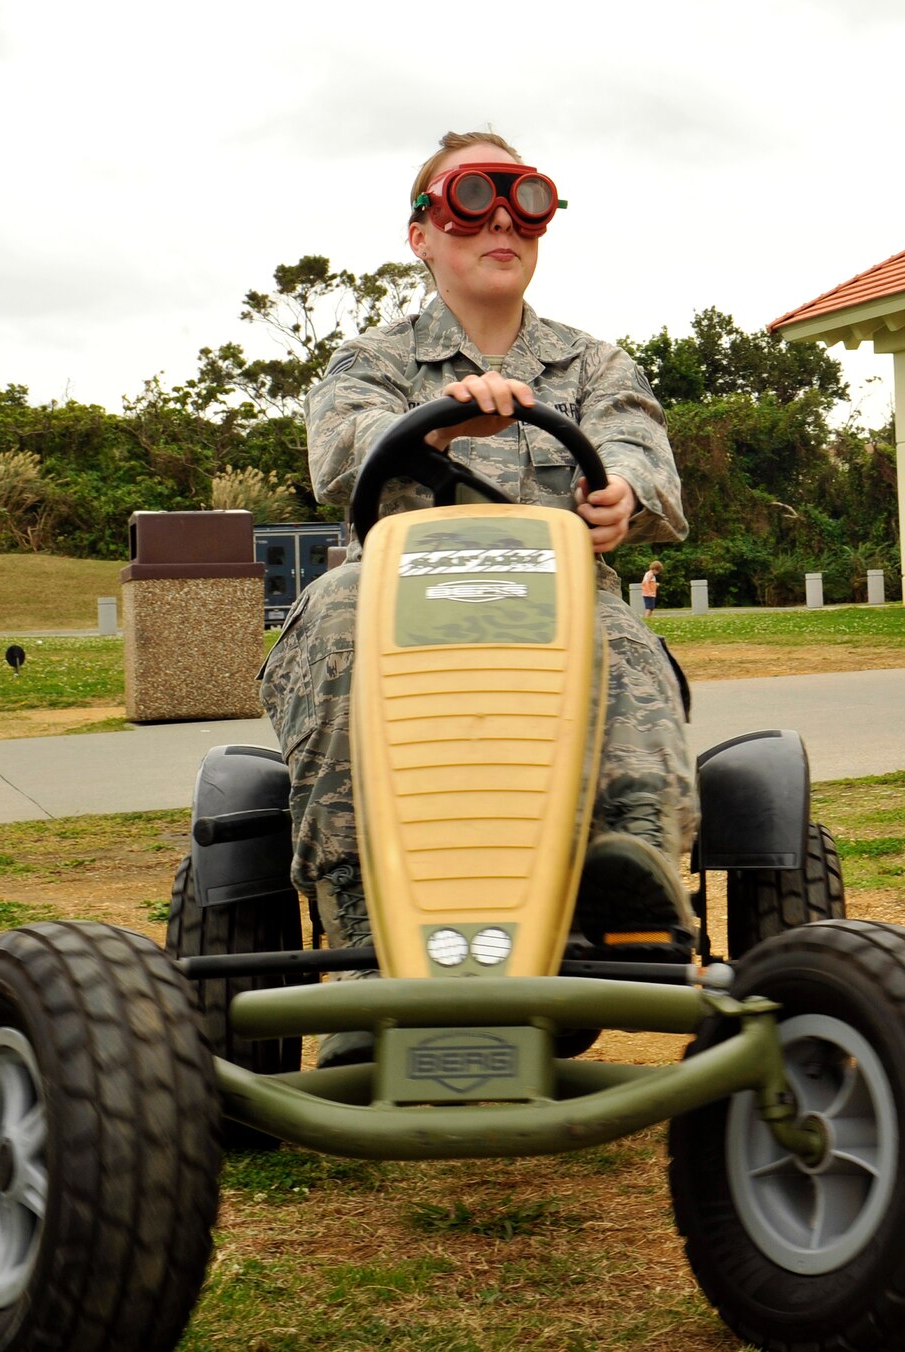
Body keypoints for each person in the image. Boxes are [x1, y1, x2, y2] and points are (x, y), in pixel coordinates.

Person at [259, 131, 700, 1059]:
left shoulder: (594, 366)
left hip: (560, 601)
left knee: (617, 636)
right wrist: (445, 421)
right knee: (335, 616)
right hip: (397, 606)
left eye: (524, 197)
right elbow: (345, 453)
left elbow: (641, 460)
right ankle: (361, 936)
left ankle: (635, 884)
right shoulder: (368, 361)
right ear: (422, 234)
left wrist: (621, 496)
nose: (502, 217)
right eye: (472, 197)